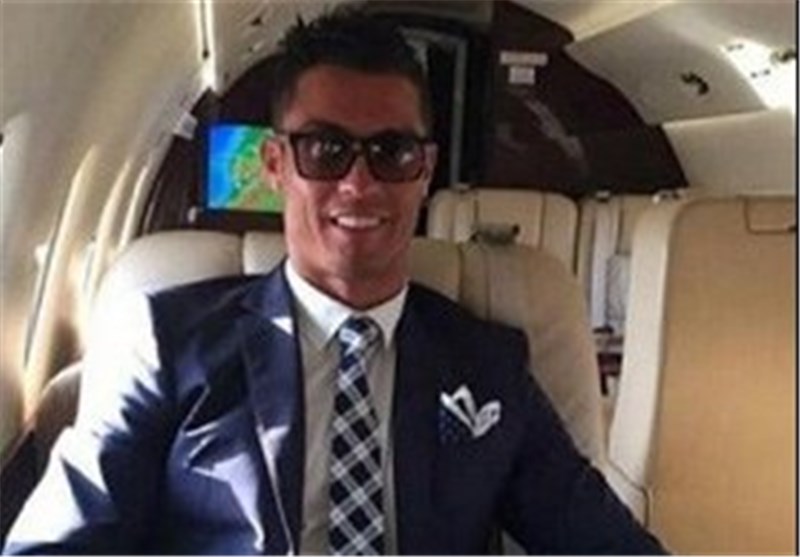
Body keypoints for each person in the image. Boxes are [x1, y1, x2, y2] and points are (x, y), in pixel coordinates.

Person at [3, 6, 665, 555]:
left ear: (425, 169)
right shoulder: (167, 345)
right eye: (325, 149)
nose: (358, 183)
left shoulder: (489, 365)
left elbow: (605, 543)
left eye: (392, 152)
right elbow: (59, 541)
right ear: (275, 164)